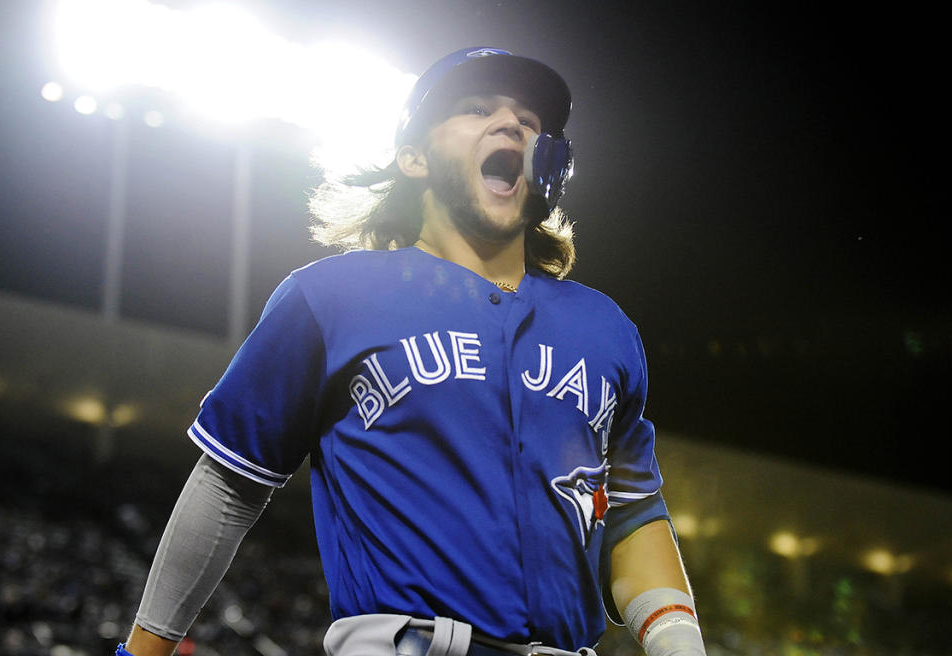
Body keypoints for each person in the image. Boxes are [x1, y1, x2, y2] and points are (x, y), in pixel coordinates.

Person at [118, 47, 706, 656]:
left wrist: (680, 644)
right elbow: (230, 485)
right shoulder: (329, 297)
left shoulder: (604, 328)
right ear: (414, 158)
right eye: (477, 109)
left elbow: (634, 512)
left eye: (530, 122)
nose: (511, 125)